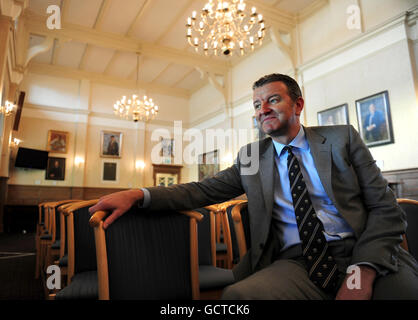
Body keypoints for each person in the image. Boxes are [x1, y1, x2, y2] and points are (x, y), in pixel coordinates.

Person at [89, 73, 418, 300]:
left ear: (298, 105)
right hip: (297, 262)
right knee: (239, 297)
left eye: (273, 100)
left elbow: (385, 208)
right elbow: (200, 191)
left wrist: (363, 270)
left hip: (363, 252)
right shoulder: (251, 157)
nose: (263, 109)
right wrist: (138, 194)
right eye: (257, 105)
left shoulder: (341, 139)